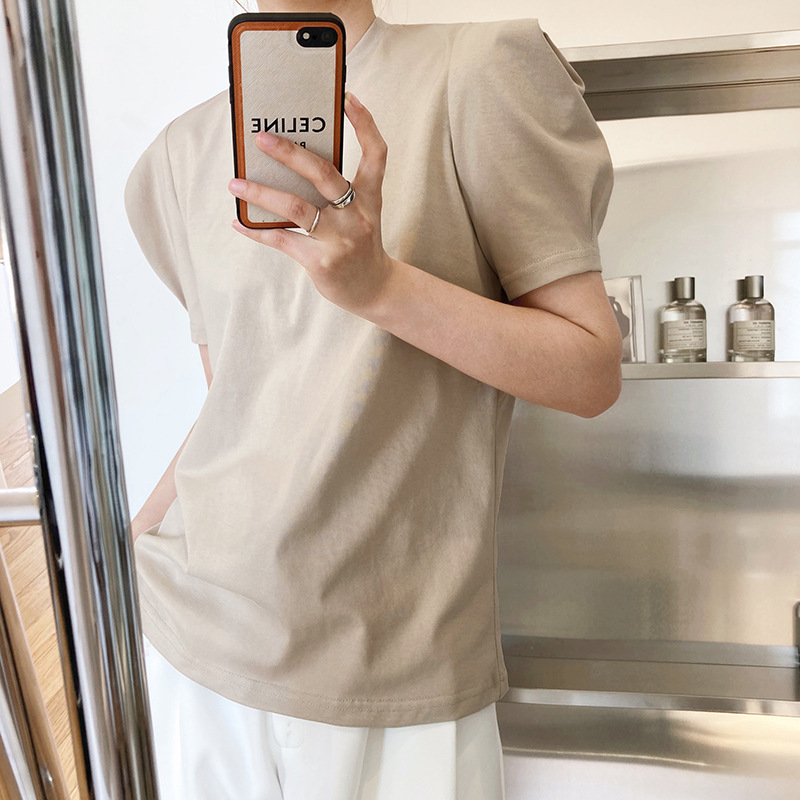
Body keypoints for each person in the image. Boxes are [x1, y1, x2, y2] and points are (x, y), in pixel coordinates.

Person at [125, 1, 622, 797]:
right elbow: (241, 399)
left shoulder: (478, 71)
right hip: (190, 639)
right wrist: (124, 549)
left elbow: (590, 371)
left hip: (397, 663)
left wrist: (381, 287)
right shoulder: (175, 157)